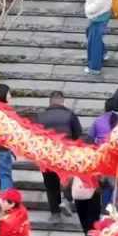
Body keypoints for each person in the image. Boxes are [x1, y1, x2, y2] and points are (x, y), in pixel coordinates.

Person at [36, 91, 82, 221]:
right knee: (68, 179)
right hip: (65, 155)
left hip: (47, 156)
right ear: (63, 102)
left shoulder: (40, 117)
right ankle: (66, 199)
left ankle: (55, 213)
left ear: (49, 102)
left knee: (51, 186)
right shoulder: (70, 115)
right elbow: (78, 136)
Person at [84, 0, 111, 75]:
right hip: (103, 14)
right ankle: (103, 53)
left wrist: (88, 10)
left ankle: (94, 67)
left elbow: (99, 3)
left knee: (94, 42)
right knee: (89, 32)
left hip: (98, 17)